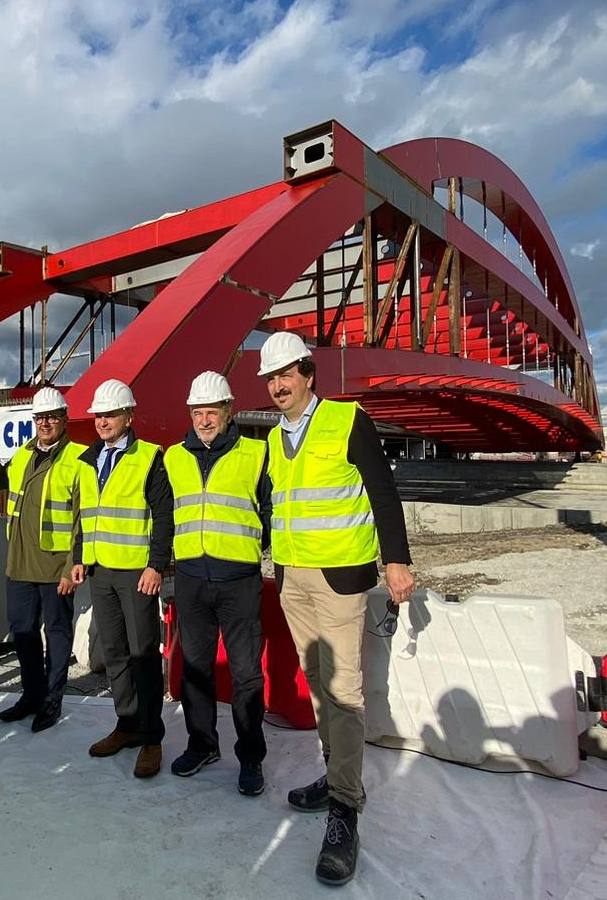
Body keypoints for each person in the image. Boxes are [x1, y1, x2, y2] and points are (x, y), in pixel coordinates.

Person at [259, 332, 415, 887]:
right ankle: (333, 776)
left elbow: (382, 494)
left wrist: (396, 560)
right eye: (270, 379)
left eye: (286, 375)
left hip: (342, 579)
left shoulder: (348, 421)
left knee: (344, 690)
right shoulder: (275, 440)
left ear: (307, 374)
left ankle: (346, 809)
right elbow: (274, 501)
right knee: (319, 683)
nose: (278, 386)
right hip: (293, 578)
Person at [163, 371, 272, 796]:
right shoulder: (173, 457)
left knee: (246, 673)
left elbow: (272, 511)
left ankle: (251, 758)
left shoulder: (256, 454)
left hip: (239, 580)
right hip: (191, 580)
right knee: (195, 668)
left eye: (212, 411)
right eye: (197, 412)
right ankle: (202, 744)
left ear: (229, 412)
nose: (205, 420)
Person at [70, 379, 174, 780]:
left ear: (129, 416)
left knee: (143, 653)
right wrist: (80, 557)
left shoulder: (149, 457)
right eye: (99, 415)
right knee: (114, 652)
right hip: (100, 569)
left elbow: (164, 516)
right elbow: (86, 514)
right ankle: (127, 724)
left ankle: (151, 737)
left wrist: (156, 564)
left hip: (135, 572)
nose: (103, 421)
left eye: (111, 414)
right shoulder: (88, 459)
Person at [0, 387, 88, 732]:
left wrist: (71, 566)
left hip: (55, 564)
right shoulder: (21, 456)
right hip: (19, 563)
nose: (45, 423)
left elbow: (83, 518)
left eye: (51, 416)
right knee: (22, 631)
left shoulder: (79, 458)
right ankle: (31, 695)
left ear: (64, 419)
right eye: (40, 417)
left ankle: (52, 699)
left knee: (58, 632)